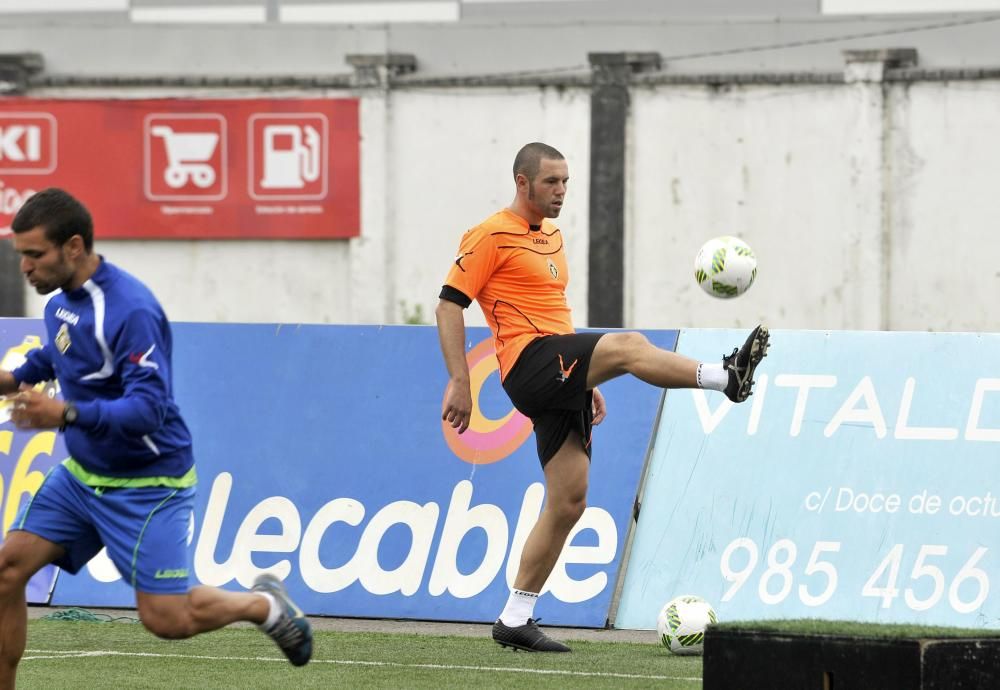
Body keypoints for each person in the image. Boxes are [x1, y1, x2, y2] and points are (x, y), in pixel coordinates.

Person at [436, 143, 769, 653]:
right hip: (527, 364)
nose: (562, 192)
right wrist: (460, 380)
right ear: (522, 183)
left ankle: (514, 617)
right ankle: (727, 377)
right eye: (552, 182)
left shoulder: (551, 234)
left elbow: (555, 313)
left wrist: (585, 381)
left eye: (566, 182)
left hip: (559, 368)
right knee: (631, 346)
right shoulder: (487, 235)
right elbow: (449, 305)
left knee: (569, 500)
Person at [0, 188, 313, 686]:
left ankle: (263, 606)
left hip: (147, 483)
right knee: (8, 572)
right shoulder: (61, 304)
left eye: (35, 255)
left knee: (166, 620)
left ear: (74, 247)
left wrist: (64, 412)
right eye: (21, 256)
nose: (25, 268)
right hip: (83, 477)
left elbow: (149, 409)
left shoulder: (131, 310)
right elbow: (46, 362)